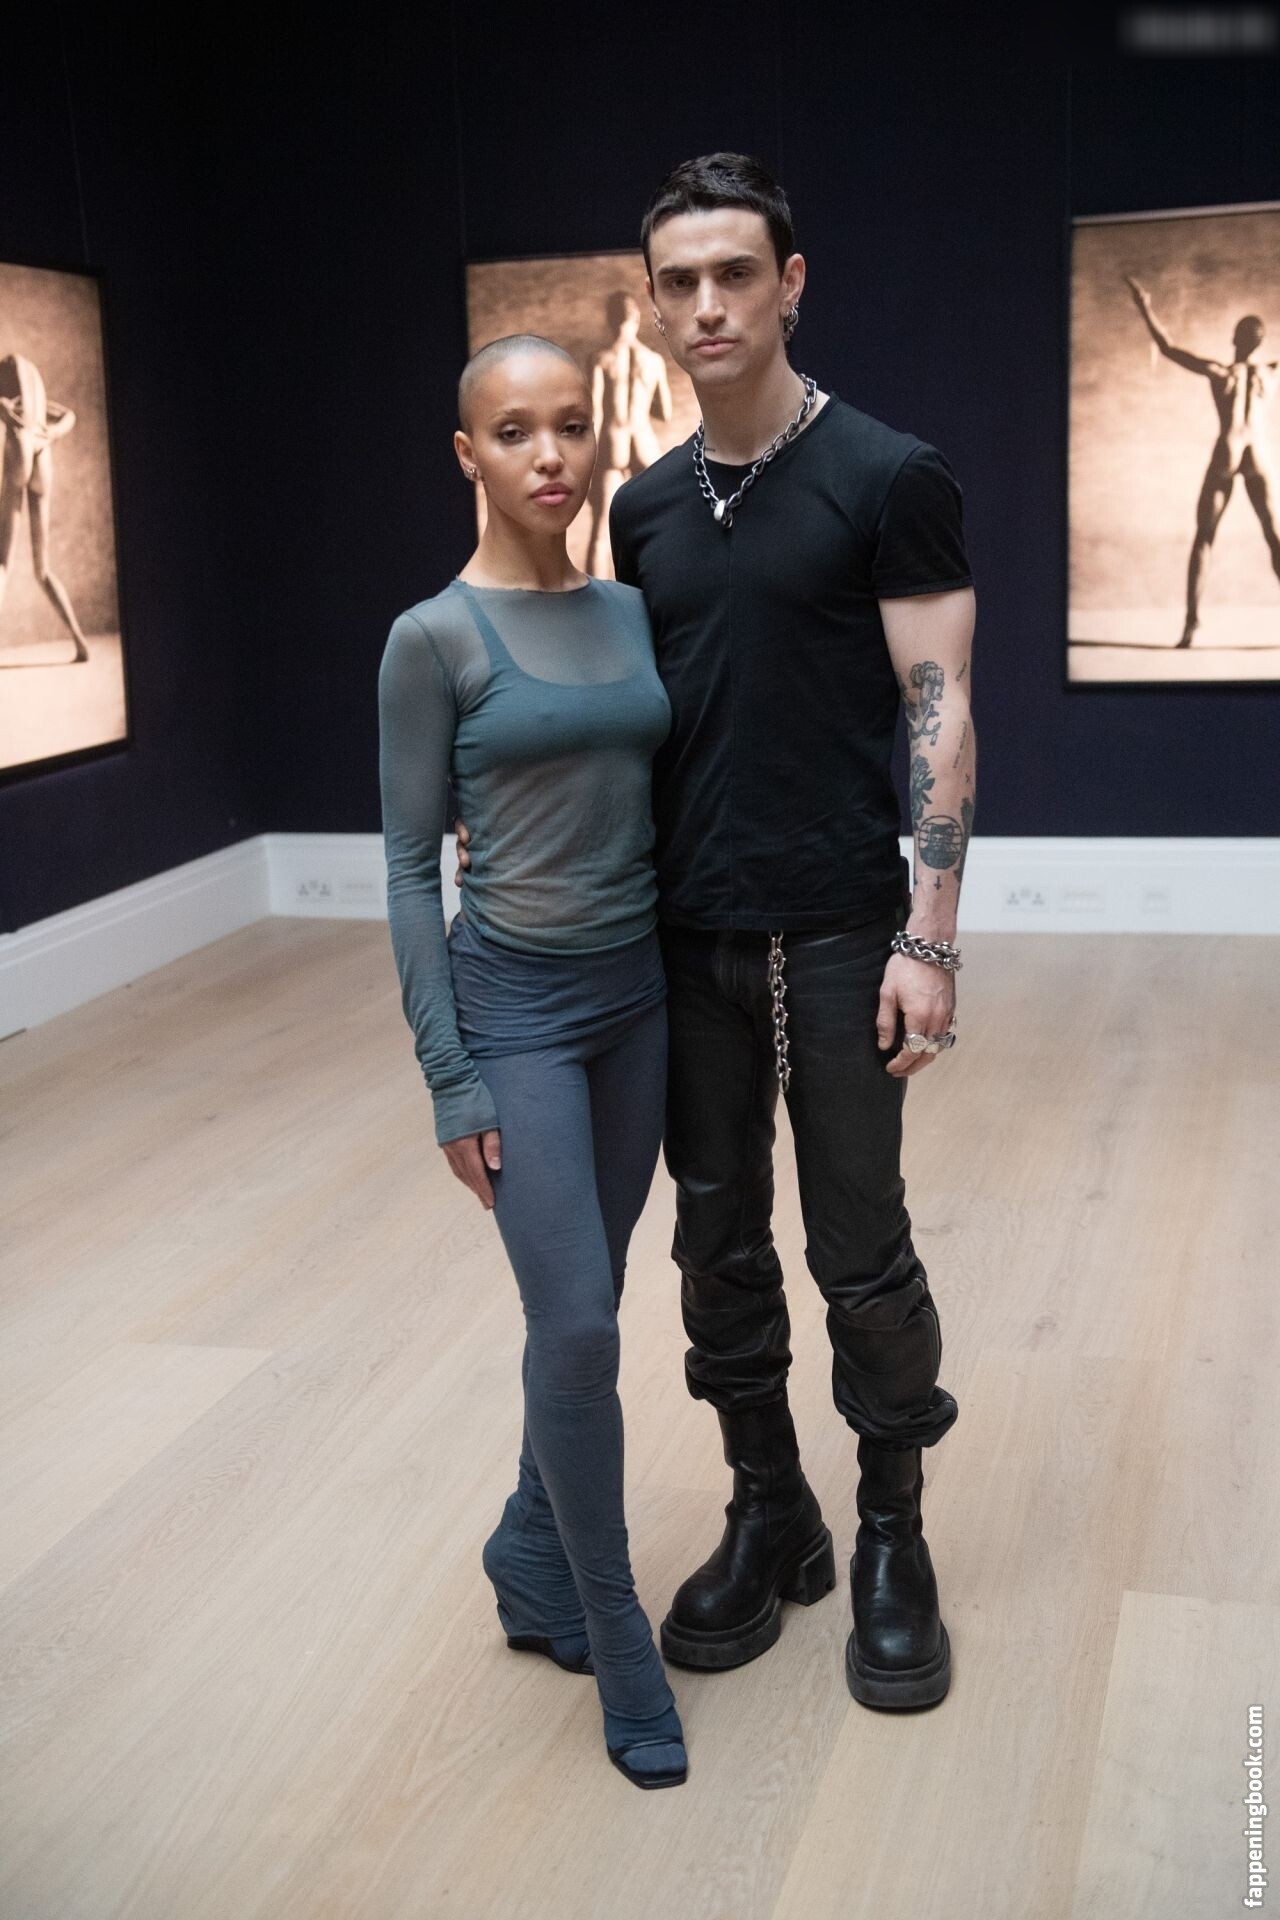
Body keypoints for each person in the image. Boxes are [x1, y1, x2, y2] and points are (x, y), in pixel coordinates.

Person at [460, 151, 976, 1711]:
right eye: (677, 282)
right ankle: (773, 1506)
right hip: (682, 938)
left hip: (843, 930)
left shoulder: (889, 476)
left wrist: (930, 936)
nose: (706, 306)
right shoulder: (644, 509)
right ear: (654, 298)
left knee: (861, 1253)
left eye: (735, 274)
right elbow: (631, 706)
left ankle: (892, 1529)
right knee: (715, 1245)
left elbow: (940, 711)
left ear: (790, 283)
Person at [377, 334, 686, 1788]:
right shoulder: (432, 638)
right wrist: (448, 1073)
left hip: (638, 1006)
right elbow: (403, 870)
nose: (550, 455)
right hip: (517, 1014)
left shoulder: (630, 611)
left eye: (570, 424)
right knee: (577, 1331)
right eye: (514, 432)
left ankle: (528, 1549)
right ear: (468, 454)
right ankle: (616, 1633)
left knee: (587, 1308)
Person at [1125, 278, 1280, 647]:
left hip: (1227, 450)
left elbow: (1168, 347)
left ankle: (1191, 623)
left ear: (1234, 339)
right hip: (1257, 453)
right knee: (1274, 537)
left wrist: (1145, 306)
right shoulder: (1270, 372)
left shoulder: (1219, 372)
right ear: (1260, 343)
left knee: (1204, 539)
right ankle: (1192, 621)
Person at [0, 352, 90, 662]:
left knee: (3, 564)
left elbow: (5, 405)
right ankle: (80, 642)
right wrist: (52, 433)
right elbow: (69, 416)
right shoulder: (32, 377)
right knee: (43, 569)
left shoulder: (6, 366)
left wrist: (2, 408)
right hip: (42, 450)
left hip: (20, 444)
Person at [586, 292, 673, 576]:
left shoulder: (600, 359)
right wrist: (642, 402)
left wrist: (586, 463)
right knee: (656, 529)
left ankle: (595, 601)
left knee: (601, 531)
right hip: (645, 445)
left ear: (610, 320)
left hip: (613, 446)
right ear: (636, 319)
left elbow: (595, 414)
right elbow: (665, 412)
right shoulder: (654, 361)